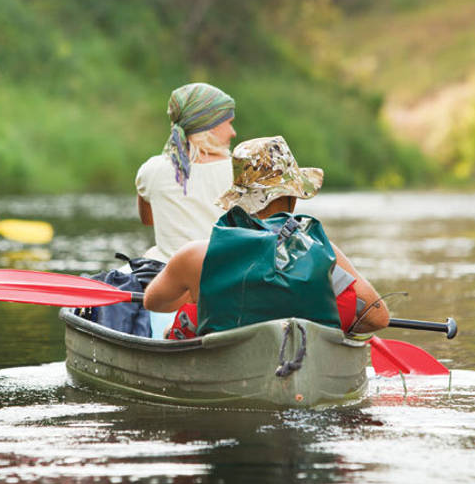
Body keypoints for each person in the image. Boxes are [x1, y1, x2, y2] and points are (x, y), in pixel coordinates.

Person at [143, 136, 390, 338]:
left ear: (238, 200)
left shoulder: (197, 255)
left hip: (226, 365)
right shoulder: (322, 250)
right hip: (307, 361)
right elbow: (377, 316)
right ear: (294, 198)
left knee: (170, 331)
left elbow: (153, 303)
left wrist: (200, 289)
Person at [135, 82, 237, 336]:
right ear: (211, 125)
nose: (233, 132)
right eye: (228, 122)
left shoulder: (151, 169)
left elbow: (148, 220)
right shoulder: (240, 170)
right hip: (224, 281)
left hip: (168, 284)